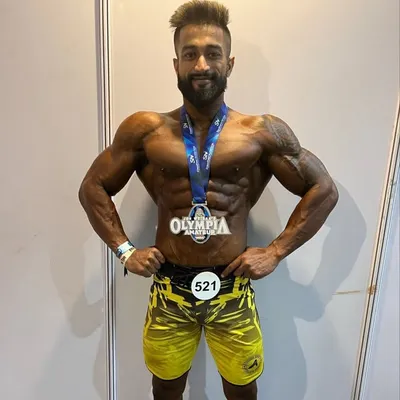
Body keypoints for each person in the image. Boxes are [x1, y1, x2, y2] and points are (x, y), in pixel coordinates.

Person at [78, 1, 339, 399]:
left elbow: (323, 191)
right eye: (190, 54)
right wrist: (125, 250)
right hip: (169, 290)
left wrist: (275, 252)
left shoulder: (261, 132)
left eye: (212, 54)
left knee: (241, 389)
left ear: (229, 63)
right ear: (176, 64)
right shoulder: (145, 130)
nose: (201, 64)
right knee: (165, 388)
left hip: (232, 290)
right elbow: (92, 187)